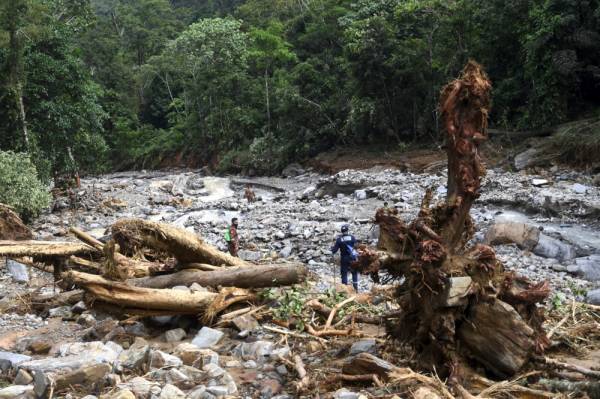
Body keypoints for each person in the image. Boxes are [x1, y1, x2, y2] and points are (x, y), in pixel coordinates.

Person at [330, 224, 359, 291]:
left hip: (344, 259)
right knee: (354, 272)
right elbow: (356, 247)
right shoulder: (352, 237)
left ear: (341, 231)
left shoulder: (339, 240)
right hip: (352, 258)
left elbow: (334, 251)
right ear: (347, 231)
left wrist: (331, 249)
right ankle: (356, 288)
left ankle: (345, 289)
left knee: (344, 273)